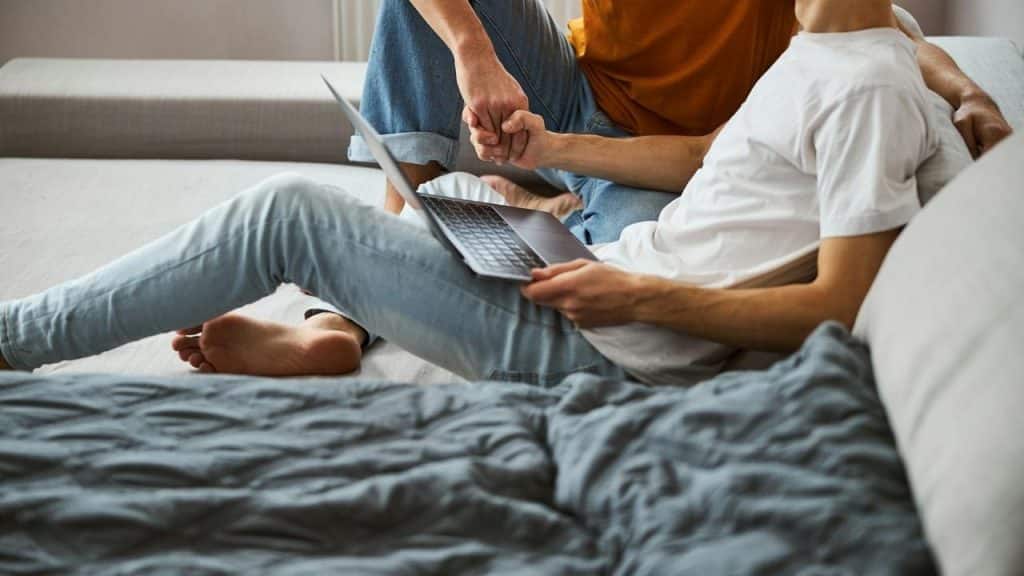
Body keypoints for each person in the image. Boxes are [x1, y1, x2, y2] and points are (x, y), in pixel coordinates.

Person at [0, 0, 982, 386]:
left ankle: (15, 337)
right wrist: (550, 146)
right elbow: (706, 165)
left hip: (602, 340)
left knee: (281, 214)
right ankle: (355, 310)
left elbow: (841, 303)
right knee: (465, 200)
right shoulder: (829, 50)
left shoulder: (863, 91)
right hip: (602, 276)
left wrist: (636, 295)